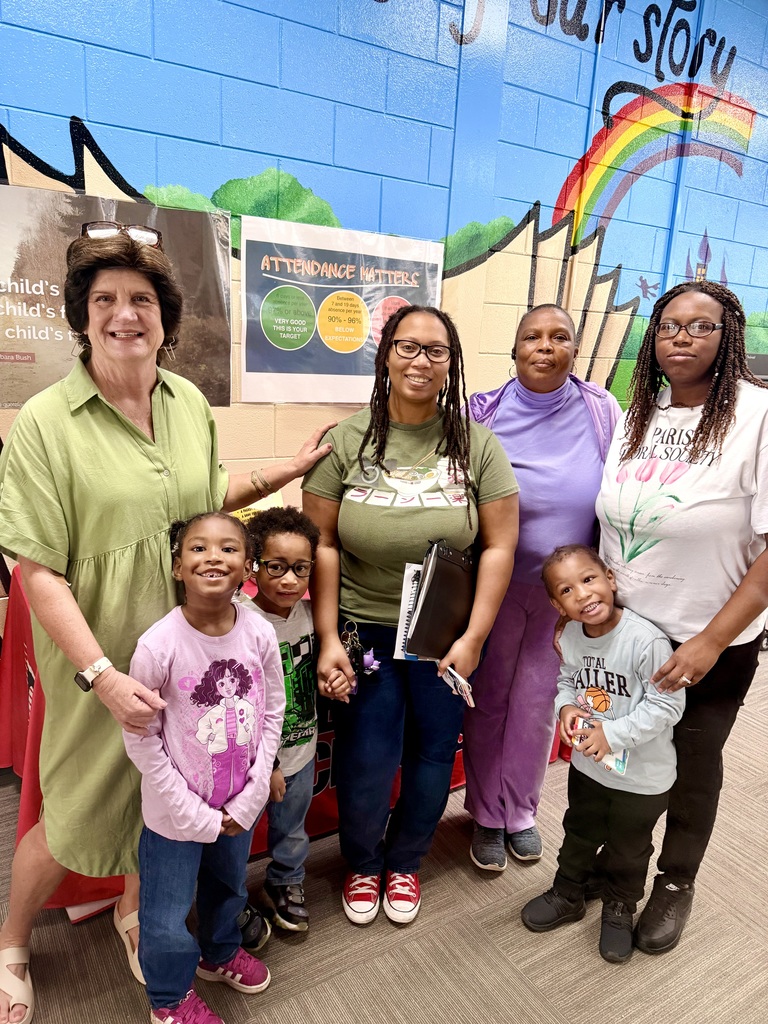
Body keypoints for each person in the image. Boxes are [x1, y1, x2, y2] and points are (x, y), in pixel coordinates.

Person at [0, 223, 333, 1024]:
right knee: (75, 808)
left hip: (192, 653)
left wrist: (283, 470)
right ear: (82, 316)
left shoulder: (186, 402)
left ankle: (131, 916)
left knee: (169, 796)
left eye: (141, 300)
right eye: (106, 299)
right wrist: (101, 676)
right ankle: (12, 943)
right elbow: (37, 570)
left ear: (165, 317)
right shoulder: (45, 422)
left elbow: (203, 498)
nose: (125, 315)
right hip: (100, 653)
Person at [302, 305, 519, 926]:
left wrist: (475, 636)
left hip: (443, 631)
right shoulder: (347, 440)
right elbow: (321, 543)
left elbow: (500, 544)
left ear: (451, 362)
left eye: (436, 351)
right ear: (385, 356)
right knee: (367, 754)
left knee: (430, 752)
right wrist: (325, 638)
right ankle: (363, 864)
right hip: (362, 627)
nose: (421, 361)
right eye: (408, 347)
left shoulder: (476, 444)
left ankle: (405, 863)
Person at [596, 280, 768, 954]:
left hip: (709, 639)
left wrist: (710, 642)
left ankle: (675, 882)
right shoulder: (637, 415)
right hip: (627, 636)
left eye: (701, 326)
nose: (681, 337)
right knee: (621, 757)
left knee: (691, 766)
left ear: (730, 339)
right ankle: (613, 872)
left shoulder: (758, 416)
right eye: (669, 325)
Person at [463, 304, 621, 869]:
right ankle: (484, 814)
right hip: (495, 589)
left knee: (537, 704)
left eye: (560, 337)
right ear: (514, 349)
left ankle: (521, 812)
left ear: (575, 350)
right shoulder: (481, 411)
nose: (545, 346)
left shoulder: (602, 410)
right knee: (490, 700)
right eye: (532, 336)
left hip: (565, 600)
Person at [124, 511, 285, 1024]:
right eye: (198, 548)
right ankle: (168, 1001)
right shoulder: (157, 646)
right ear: (177, 567)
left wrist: (252, 793)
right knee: (167, 915)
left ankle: (218, 955)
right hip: (175, 817)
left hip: (238, 807)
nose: (213, 556)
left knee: (229, 889)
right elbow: (141, 738)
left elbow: (273, 711)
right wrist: (195, 815)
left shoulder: (259, 634)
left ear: (246, 568)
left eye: (227, 548)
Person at [520, 545, 684, 963]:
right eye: (568, 590)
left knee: (630, 849)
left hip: (643, 779)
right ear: (558, 604)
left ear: (610, 579)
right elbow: (568, 680)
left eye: (589, 579)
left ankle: (619, 908)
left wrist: (613, 734)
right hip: (589, 769)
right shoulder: (572, 635)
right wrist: (567, 707)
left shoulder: (645, 641)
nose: (583, 594)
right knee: (578, 832)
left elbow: (667, 706)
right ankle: (568, 892)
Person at [238, 506, 343, 933]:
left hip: (301, 747)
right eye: (275, 567)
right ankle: (231, 902)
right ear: (252, 566)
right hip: (255, 761)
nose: (288, 580)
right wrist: (270, 766)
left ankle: (286, 881)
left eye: (300, 569)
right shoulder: (241, 621)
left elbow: (319, 667)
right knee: (236, 839)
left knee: (293, 829)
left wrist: (333, 682)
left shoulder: (311, 616)